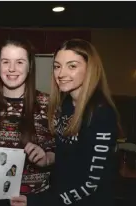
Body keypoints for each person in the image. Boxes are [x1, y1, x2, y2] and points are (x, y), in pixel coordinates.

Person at [0, 37, 55, 206]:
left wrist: (47, 158)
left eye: (19, 62)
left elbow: (61, 152)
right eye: (6, 62)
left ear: (29, 66)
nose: (11, 69)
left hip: (34, 199)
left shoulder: (49, 105)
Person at [47, 39, 120, 206]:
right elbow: (69, 158)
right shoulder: (64, 106)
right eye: (57, 66)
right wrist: (47, 158)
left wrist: (45, 202)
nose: (61, 74)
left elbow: (92, 183)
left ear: (90, 69)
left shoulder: (102, 113)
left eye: (72, 66)